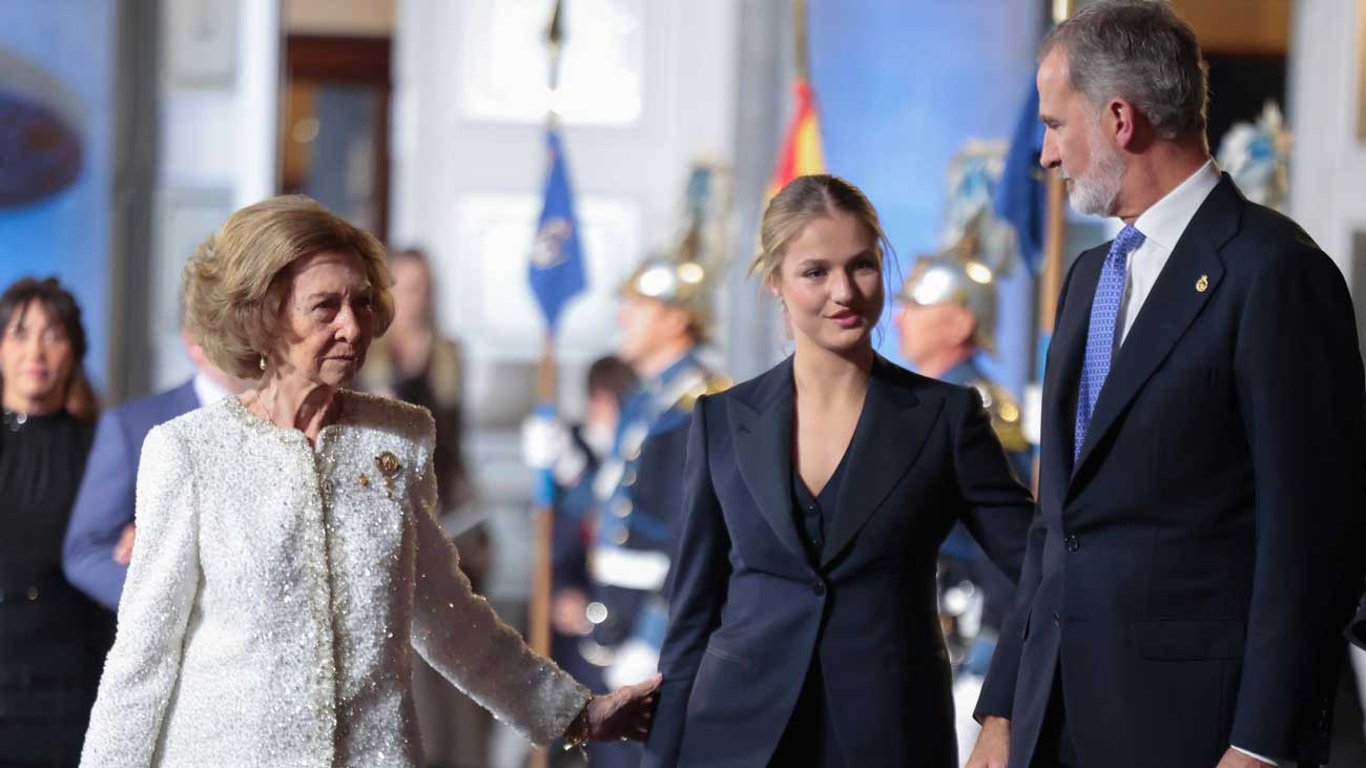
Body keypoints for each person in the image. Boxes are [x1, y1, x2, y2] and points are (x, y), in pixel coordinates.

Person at [78, 195, 658, 767]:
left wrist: (574, 714)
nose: (353, 326)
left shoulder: (399, 438)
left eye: (361, 302)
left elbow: (449, 616)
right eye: (324, 307)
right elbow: (142, 659)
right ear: (261, 315)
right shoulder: (186, 451)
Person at [966, 4, 1366, 768]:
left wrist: (1260, 746)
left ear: (1120, 119)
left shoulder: (1275, 274)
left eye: (1055, 125)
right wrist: (1001, 710)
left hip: (1191, 736)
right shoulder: (1089, 278)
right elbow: (1059, 521)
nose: (1046, 155)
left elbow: (1311, 543)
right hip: (1048, 721)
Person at [643, 174, 1035, 767]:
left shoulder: (946, 418)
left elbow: (1042, 570)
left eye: (862, 266)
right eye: (815, 272)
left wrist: (1002, 711)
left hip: (893, 736)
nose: (844, 292)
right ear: (775, 280)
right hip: (732, 738)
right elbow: (692, 614)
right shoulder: (720, 420)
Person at [894, 243, 1030, 756]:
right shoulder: (913, 401)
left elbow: (1010, 552)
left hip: (962, 639)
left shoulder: (984, 412)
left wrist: (987, 667)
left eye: (918, 307)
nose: (900, 317)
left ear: (959, 323)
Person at [63, 322, 248, 612]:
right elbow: (87, 552)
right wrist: (174, 599)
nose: (245, 339)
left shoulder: (300, 420)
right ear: (191, 338)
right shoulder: (133, 425)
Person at [0, 277, 109, 765]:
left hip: (71, 679)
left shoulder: (107, 449)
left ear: (75, 350)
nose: (36, 351)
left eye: (54, 334)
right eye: (20, 334)